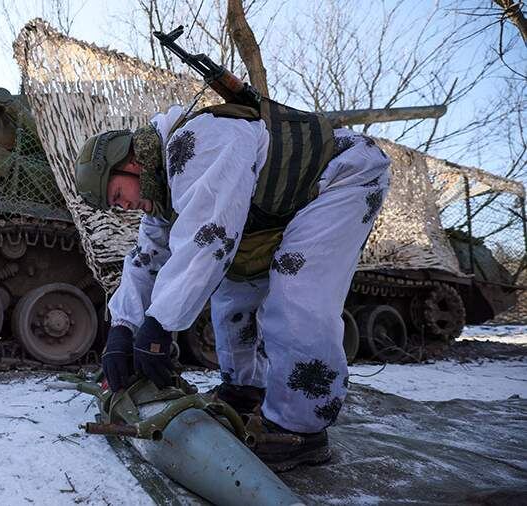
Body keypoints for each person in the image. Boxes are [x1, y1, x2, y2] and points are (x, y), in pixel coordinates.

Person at [74, 101, 391, 472]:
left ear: (128, 164)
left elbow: (209, 236)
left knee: (296, 293)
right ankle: (245, 390)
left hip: (342, 179)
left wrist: (159, 325)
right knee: (232, 296)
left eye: (118, 196)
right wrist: (123, 330)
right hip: (282, 209)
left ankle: (301, 430)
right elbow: (145, 259)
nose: (125, 207)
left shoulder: (197, 140)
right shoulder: (160, 191)